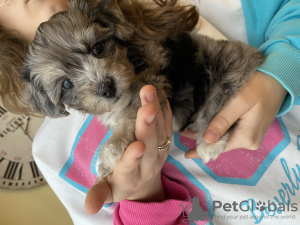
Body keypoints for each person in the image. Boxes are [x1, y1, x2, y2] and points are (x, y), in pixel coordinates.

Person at [0, 0, 299, 224]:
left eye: (98, 50)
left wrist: (280, 72)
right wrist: (144, 194)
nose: (100, 82)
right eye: (66, 84)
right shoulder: (54, 156)